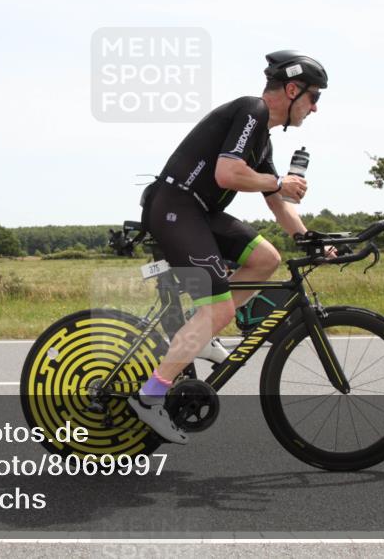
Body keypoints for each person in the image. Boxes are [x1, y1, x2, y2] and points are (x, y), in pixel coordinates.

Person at [129, 50, 332, 443]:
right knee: (218, 308)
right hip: (175, 207)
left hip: (198, 211)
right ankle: (150, 395)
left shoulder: (262, 139)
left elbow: (278, 204)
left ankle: (202, 333)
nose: (315, 108)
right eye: (314, 97)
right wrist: (279, 182)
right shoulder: (252, 111)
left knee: (265, 259)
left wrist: (309, 239)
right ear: (292, 89)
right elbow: (227, 173)